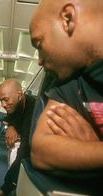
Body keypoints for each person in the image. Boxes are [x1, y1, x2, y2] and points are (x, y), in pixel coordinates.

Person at [29, 0, 103, 174]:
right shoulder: (71, 82)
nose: (39, 60)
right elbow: (41, 151)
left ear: (68, 19)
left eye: (39, 44)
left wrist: (90, 149)